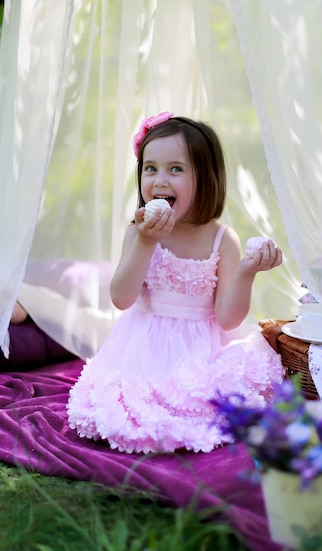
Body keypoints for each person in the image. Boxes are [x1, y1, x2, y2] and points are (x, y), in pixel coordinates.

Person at [67, 112, 285, 454]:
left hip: (201, 350)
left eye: (176, 169)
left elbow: (228, 318)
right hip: (145, 347)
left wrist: (246, 272)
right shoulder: (138, 232)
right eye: (150, 168)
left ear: (206, 178)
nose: (159, 180)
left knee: (215, 403)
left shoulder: (221, 239)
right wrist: (144, 242)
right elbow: (121, 298)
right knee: (130, 405)